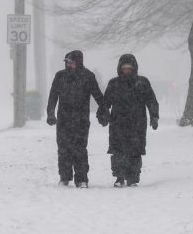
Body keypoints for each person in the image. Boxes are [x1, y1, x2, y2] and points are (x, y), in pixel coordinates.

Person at [47, 50, 106, 188]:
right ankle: (64, 177)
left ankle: (81, 178)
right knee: (63, 149)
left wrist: (103, 110)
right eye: (67, 62)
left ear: (78, 62)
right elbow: (53, 96)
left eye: (71, 62)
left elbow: (97, 95)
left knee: (80, 149)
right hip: (63, 120)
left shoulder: (88, 76)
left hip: (81, 120)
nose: (69, 65)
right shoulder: (60, 76)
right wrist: (50, 113)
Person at [100, 54, 159, 187]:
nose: (127, 70)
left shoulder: (142, 83)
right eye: (124, 68)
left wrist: (154, 116)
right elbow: (105, 102)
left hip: (137, 123)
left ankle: (133, 177)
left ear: (134, 68)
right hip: (117, 123)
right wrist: (103, 115)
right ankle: (119, 176)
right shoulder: (114, 83)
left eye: (129, 68)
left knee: (135, 151)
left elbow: (151, 100)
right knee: (117, 151)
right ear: (120, 68)